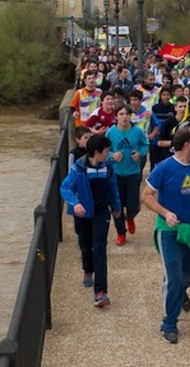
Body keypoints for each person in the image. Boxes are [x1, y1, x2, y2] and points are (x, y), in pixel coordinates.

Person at [141, 126, 190, 344]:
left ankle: (179, 291)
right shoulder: (164, 168)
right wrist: (165, 212)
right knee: (173, 277)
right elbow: (146, 195)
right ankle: (169, 324)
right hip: (168, 230)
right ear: (187, 145)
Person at [60, 135, 122, 308]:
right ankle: (88, 269)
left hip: (102, 212)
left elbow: (113, 188)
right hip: (84, 213)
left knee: (99, 247)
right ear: (97, 152)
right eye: (106, 151)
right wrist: (75, 203)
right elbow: (65, 188)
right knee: (85, 245)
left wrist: (116, 207)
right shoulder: (78, 168)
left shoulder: (107, 167)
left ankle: (100, 292)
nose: (108, 154)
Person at [106, 104, 150, 246]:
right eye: (121, 114)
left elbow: (145, 145)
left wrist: (140, 154)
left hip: (133, 173)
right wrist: (113, 155)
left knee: (133, 205)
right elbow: (104, 151)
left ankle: (130, 217)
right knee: (117, 206)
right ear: (116, 117)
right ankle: (121, 233)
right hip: (116, 174)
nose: (124, 117)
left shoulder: (137, 131)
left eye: (127, 114)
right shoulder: (110, 133)